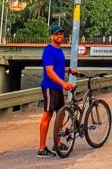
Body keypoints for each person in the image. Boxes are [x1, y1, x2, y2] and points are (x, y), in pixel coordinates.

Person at [37, 25, 75, 156]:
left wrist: (69, 70)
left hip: (57, 87)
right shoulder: (49, 50)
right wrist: (63, 83)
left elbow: (57, 67)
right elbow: (49, 71)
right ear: (51, 36)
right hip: (50, 87)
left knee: (61, 114)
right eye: (57, 34)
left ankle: (57, 143)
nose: (59, 36)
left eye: (61, 34)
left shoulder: (59, 50)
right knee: (47, 115)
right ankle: (41, 148)